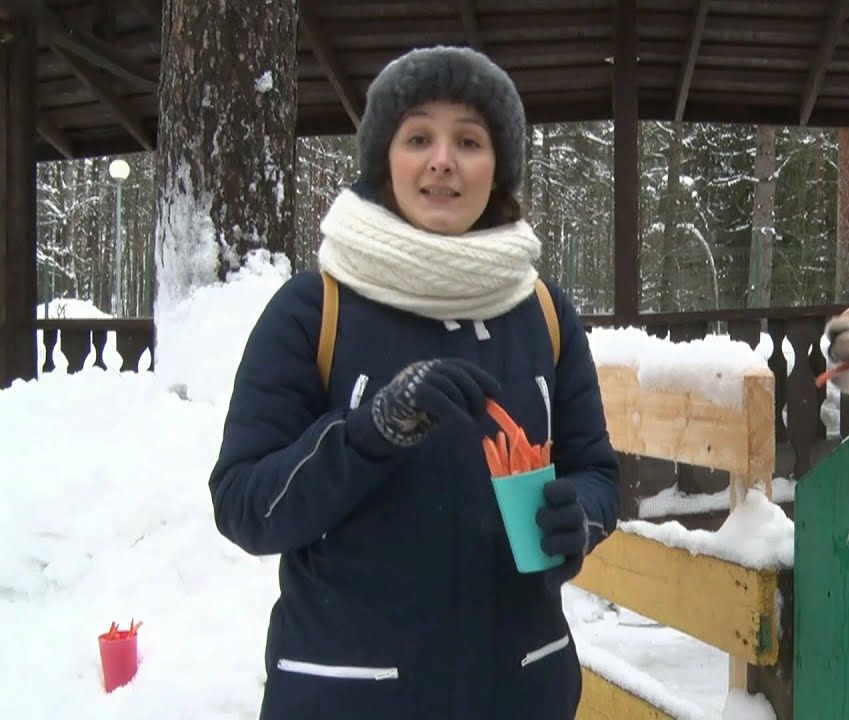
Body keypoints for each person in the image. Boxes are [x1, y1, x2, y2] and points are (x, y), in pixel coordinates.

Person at [208, 46, 619, 720]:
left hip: (520, 693)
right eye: (418, 137)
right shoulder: (314, 309)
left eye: (469, 140)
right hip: (348, 698)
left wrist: (577, 516)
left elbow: (597, 471)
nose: (442, 161)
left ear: (499, 167)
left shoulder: (544, 312)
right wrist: (370, 432)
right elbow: (244, 505)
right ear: (385, 161)